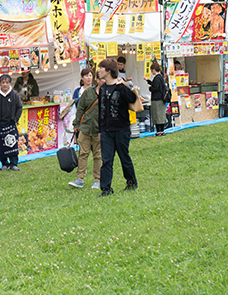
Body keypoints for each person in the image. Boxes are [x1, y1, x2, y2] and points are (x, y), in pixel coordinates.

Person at [97, 58, 144, 197]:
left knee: (124, 157)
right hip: (106, 131)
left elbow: (132, 99)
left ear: (108, 71)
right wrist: (100, 129)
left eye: (101, 68)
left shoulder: (121, 87)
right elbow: (101, 110)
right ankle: (106, 189)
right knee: (106, 160)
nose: (98, 70)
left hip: (121, 129)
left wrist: (124, 84)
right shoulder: (103, 88)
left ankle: (131, 182)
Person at [70, 68, 102, 189]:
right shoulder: (87, 92)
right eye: (87, 76)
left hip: (99, 129)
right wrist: (76, 124)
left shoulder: (106, 93)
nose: (89, 78)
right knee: (83, 153)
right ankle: (80, 178)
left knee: (98, 155)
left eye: (90, 75)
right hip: (85, 127)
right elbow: (80, 109)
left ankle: (97, 179)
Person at [0, 73, 23, 171]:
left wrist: (15, 119)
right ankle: (4, 163)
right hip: (0, 124)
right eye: (3, 82)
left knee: (13, 143)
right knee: (1, 145)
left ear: (9, 84)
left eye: (7, 82)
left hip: (11, 124)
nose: (5, 85)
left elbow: (19, 107)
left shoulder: (14, 94)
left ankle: (13, 163)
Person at [146, 60, 169, 136]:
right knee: (161, 115)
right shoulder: (160, 77)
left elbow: (155, 88)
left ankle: (158, 131)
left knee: (156, 115)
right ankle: (161, 130)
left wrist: (150, 88)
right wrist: (148, 81)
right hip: (161, 99)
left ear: (153, 70)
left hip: (156, 99)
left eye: (151, 70)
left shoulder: (156, 78)